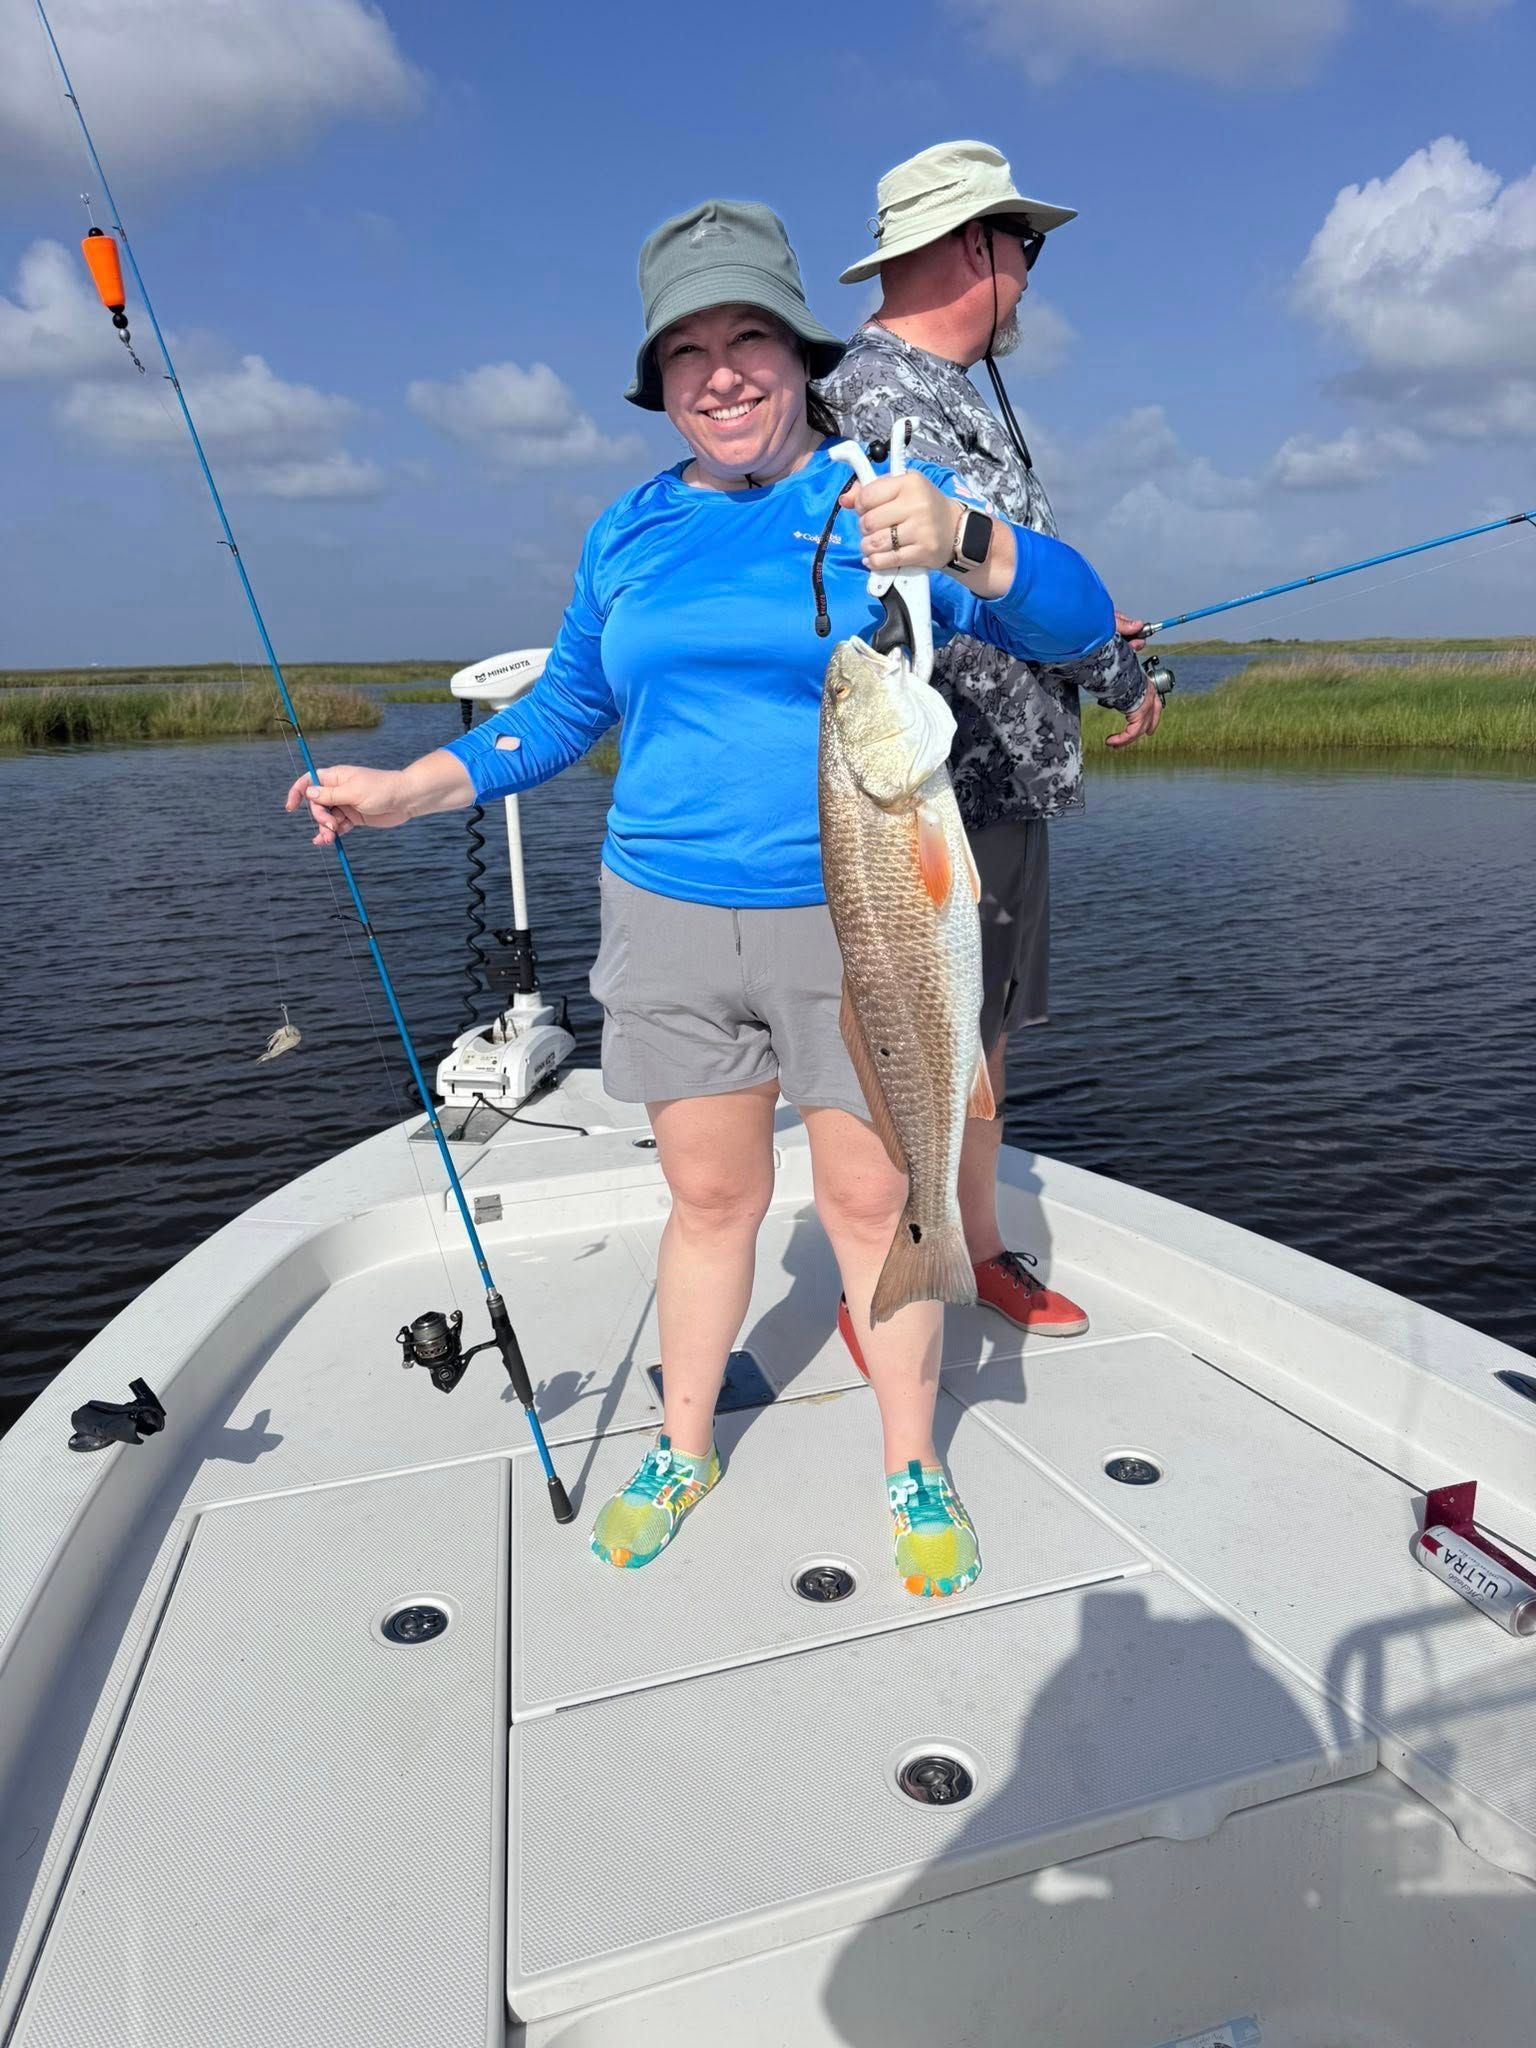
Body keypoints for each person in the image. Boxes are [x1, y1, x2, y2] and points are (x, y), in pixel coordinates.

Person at [287, 199, 1125, 1598]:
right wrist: (410, 785)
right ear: (658, 384)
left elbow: (1082, 621)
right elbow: (560, 711)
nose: (722, 373)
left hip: (854, 915)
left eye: (748, 339)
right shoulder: (626, 532)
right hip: (665, 914)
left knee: (877, 1206)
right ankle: (681, 1443)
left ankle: (912, 1460)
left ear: (798, 357)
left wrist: (974, 542)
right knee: (710, 1201)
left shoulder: (878, 496)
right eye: (688, 352)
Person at [821, 141, 1161, 1352]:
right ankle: (900, 1267)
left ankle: (967, 1243)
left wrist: (1083, 636)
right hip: (927, 795)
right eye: (1027, 243)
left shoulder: (953, 391)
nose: (1030, 269)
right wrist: (1107, 664)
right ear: (977, 244)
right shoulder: (888, 399)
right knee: (919, 1033)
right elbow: (950, 580)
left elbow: (1001, 586)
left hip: (995, 788)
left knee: (987, 1030)